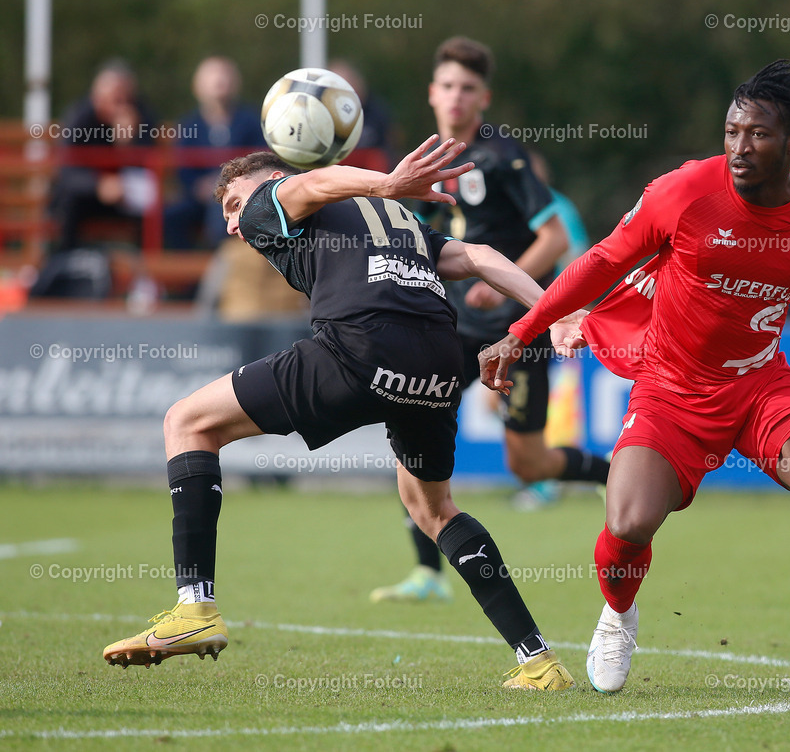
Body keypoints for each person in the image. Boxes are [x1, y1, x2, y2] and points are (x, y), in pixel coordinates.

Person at [479, 60, 790, 704]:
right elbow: (604, 258)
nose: (741, 148)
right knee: (628, 523)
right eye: (732, 131)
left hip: (761, 385)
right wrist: (522, 332)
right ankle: (618, 617)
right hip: (672, 389)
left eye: (759, 135)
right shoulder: (682, 192)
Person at [100, 135, 574, 691]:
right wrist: (553, 312)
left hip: (359, 347)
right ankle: (540, 662)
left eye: (233, 205)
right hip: (440, 361)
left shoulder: (284, 198)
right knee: (435, 509)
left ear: (266, 181)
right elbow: (477, 256)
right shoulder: (392, 215)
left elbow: (312, 181)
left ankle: (194, 609)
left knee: (186, 422)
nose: (234, 225)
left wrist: (388, 180)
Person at [370, 37, 610, 603]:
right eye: (448, 86)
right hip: (446, 328)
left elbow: (554, 238)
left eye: (468, 89)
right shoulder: (429, 160)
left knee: (528, 464)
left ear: (484, 98)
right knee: (411, 430)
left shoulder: (505, 157)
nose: (456, 97)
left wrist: (496, 281)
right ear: (433, 93)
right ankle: (428, 574)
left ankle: (608, 475)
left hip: (514, 331)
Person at [46, 60, 157, 253]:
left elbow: (151, 167)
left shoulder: (142, 117)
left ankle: (147, 274)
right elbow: (66, 169)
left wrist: (127, 143)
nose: (118, 103)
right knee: (68, 202)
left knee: (154, 210)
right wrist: (98, 185)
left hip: (124, 197)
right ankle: (63, 263)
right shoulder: (80, 118)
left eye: (123, 97)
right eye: (112, 97)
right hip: (87, 197)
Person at [163, 56, 264, 250]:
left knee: (220, 213)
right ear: (198, 86)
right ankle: (188, 275)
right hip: (198, 199)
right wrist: (196, 186)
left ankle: (221, 271)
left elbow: (260, 159)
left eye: (224, 75)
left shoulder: (251, 122)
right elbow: (182, 165)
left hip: (241, 198)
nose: (219, 81)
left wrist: (232, 185)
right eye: (212, 76)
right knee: (170, 218)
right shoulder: (189, 125)